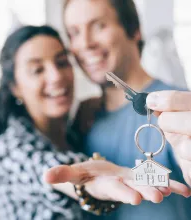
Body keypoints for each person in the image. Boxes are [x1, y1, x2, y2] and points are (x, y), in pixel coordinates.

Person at [0, 25, 177, 220]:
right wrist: (87, 180)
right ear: (15, 87)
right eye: (37, 70)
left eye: (62, 62)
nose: (56, 76)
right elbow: (50, 171)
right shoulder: (9, 150)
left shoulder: (76, 131)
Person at [60, 0, 191, 219]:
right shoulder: (83, 118)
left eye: (98, 26)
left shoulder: (177, 108)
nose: (85, 43)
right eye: (74, 33)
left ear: (134, 30)